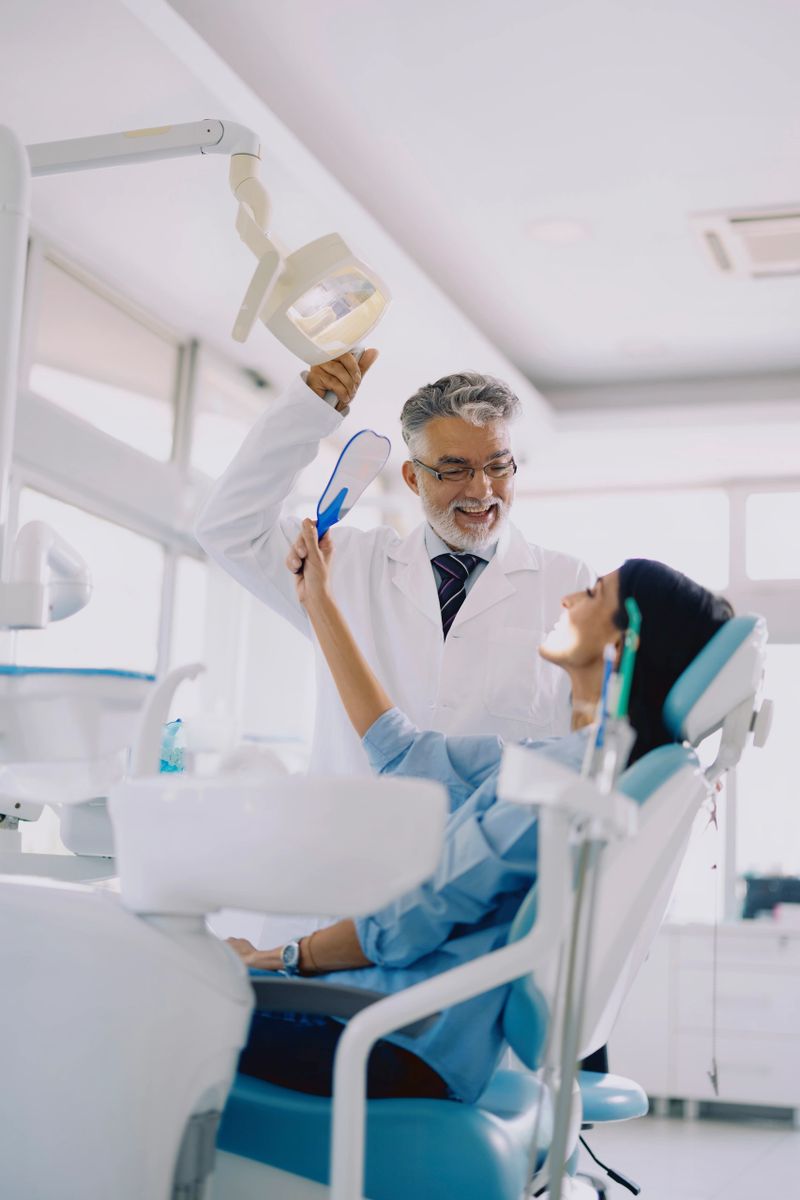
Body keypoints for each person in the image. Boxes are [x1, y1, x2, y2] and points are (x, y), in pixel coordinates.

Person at [227, 522, 733, 1104]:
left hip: (385, 1036)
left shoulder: (564, 782)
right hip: (418, 1034)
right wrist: (318, 598)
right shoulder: (573, 765)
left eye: (592, 595)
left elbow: (410, 919)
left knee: (164, 986)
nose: (569, 599)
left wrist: (279, 958)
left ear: (625, 643)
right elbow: (404, 751)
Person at [195, 352, 591, 777]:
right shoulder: (338, 564)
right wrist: (309, 409)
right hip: (357, 836)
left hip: (492, 841)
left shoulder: (569, 583)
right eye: (454, 470)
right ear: (411, 477)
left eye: (498, 466)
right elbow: (228, 527)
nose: (482, 489)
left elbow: (587, 742)